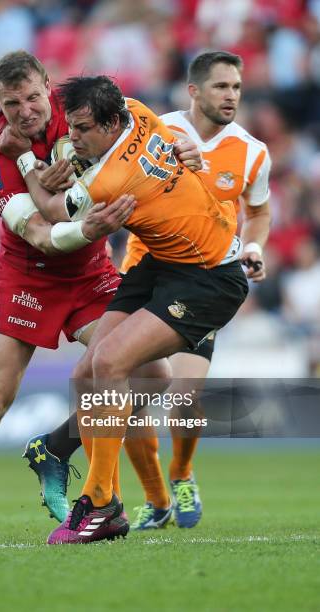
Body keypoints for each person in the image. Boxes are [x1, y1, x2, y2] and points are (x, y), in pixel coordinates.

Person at [0, 50, 198, 547]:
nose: (25, 109)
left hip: (89, 274)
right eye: (11, 101)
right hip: (27, 278)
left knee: (153, 377)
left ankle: (54, 449)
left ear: (48, 86)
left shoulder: (78, 111)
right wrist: (86, 224)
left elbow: (141, 129)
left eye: (33, 96)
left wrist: (186, 148)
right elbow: (40, 235)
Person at [24, 51, 271, 532]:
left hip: (209, 276)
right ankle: (115, 494)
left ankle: (100, 502)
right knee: (87, 371)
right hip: (162, 262)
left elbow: (54, 211)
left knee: (117, 367)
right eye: (70, 126)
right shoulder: (135, 108)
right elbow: (165, 138)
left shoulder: (110, 180)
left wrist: (31, 172)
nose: (73, 136)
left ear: (112, 123)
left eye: (82, 128)